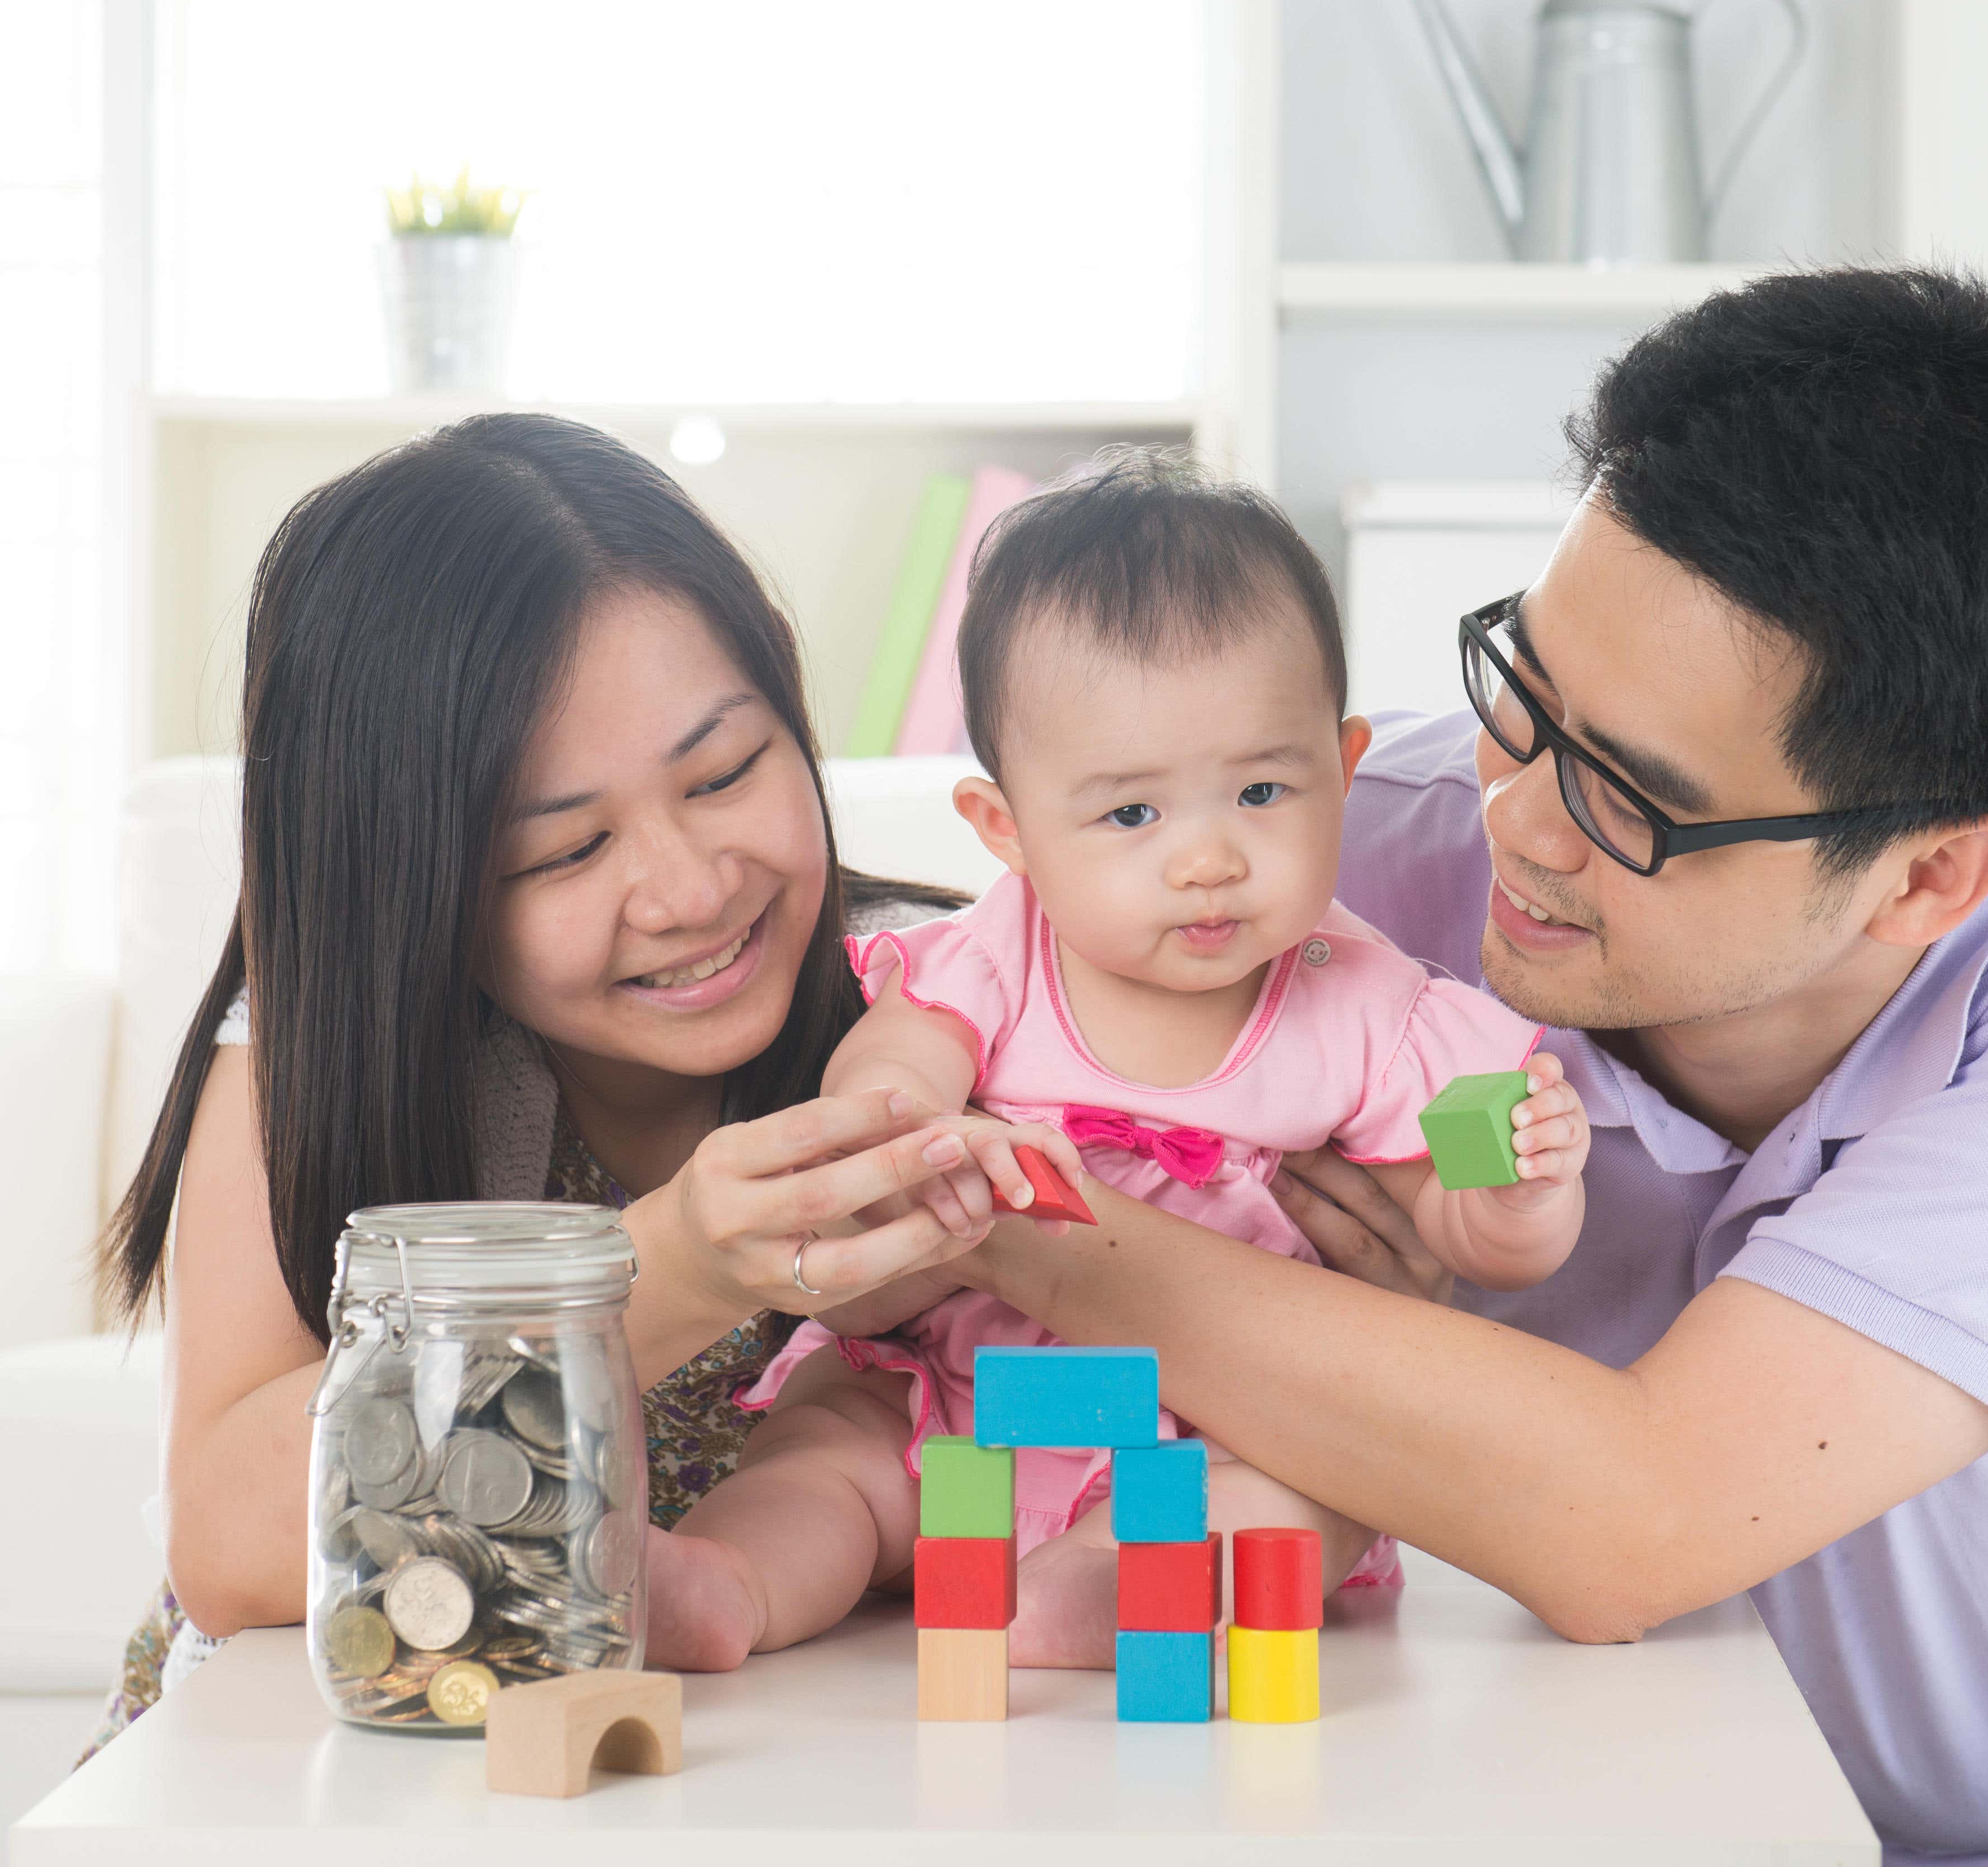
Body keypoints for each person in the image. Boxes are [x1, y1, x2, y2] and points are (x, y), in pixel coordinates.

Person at [947, 271, 1988, 1867]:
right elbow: (971, 993)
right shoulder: (1336, 870)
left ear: (1926, 880)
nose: (1521, 820)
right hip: (1734, 1801)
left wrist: (1025, 1222)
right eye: (1526, 691)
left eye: (1632, 794)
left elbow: (1630, 1520)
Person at [85, 412, 1056, 1746]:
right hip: (351, 1764)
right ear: (410, 889)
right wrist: (668, 1265)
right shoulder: (314, 1054)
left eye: (723, 771)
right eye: (563, 851)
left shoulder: (949, 998)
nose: (689, 888)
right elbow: (232, 1544)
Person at [657, 457, 1588, 1669]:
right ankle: (725, 1581)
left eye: (1260, 789)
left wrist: (1515, 1188)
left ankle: (1110, 1585)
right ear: (1008, 829)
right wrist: (919, 1135)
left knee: (1314, 1488)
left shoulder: (1371, 1005)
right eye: (1131, 815)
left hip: (1226, 1415)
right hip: (957, 1389)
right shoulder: (997, 952)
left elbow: (1461, 1237)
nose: (1207, 858)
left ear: (1343, 765)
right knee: (827, 1448)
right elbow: (887, 1071)